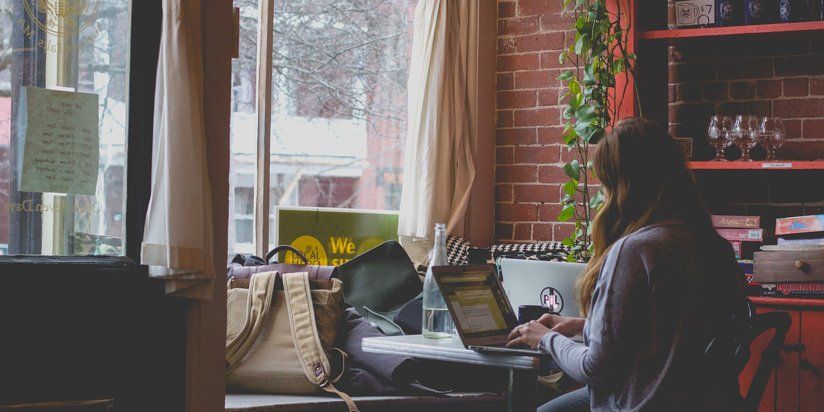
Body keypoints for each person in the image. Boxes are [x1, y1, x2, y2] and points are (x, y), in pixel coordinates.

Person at [507, 118, 747, 411]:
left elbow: (595, 368)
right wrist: (581, 326)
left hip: (642, 401)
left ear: (622, 185)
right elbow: (667, 333)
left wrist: (545, 339)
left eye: (606, 182)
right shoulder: (709, 244)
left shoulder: (636, 251)